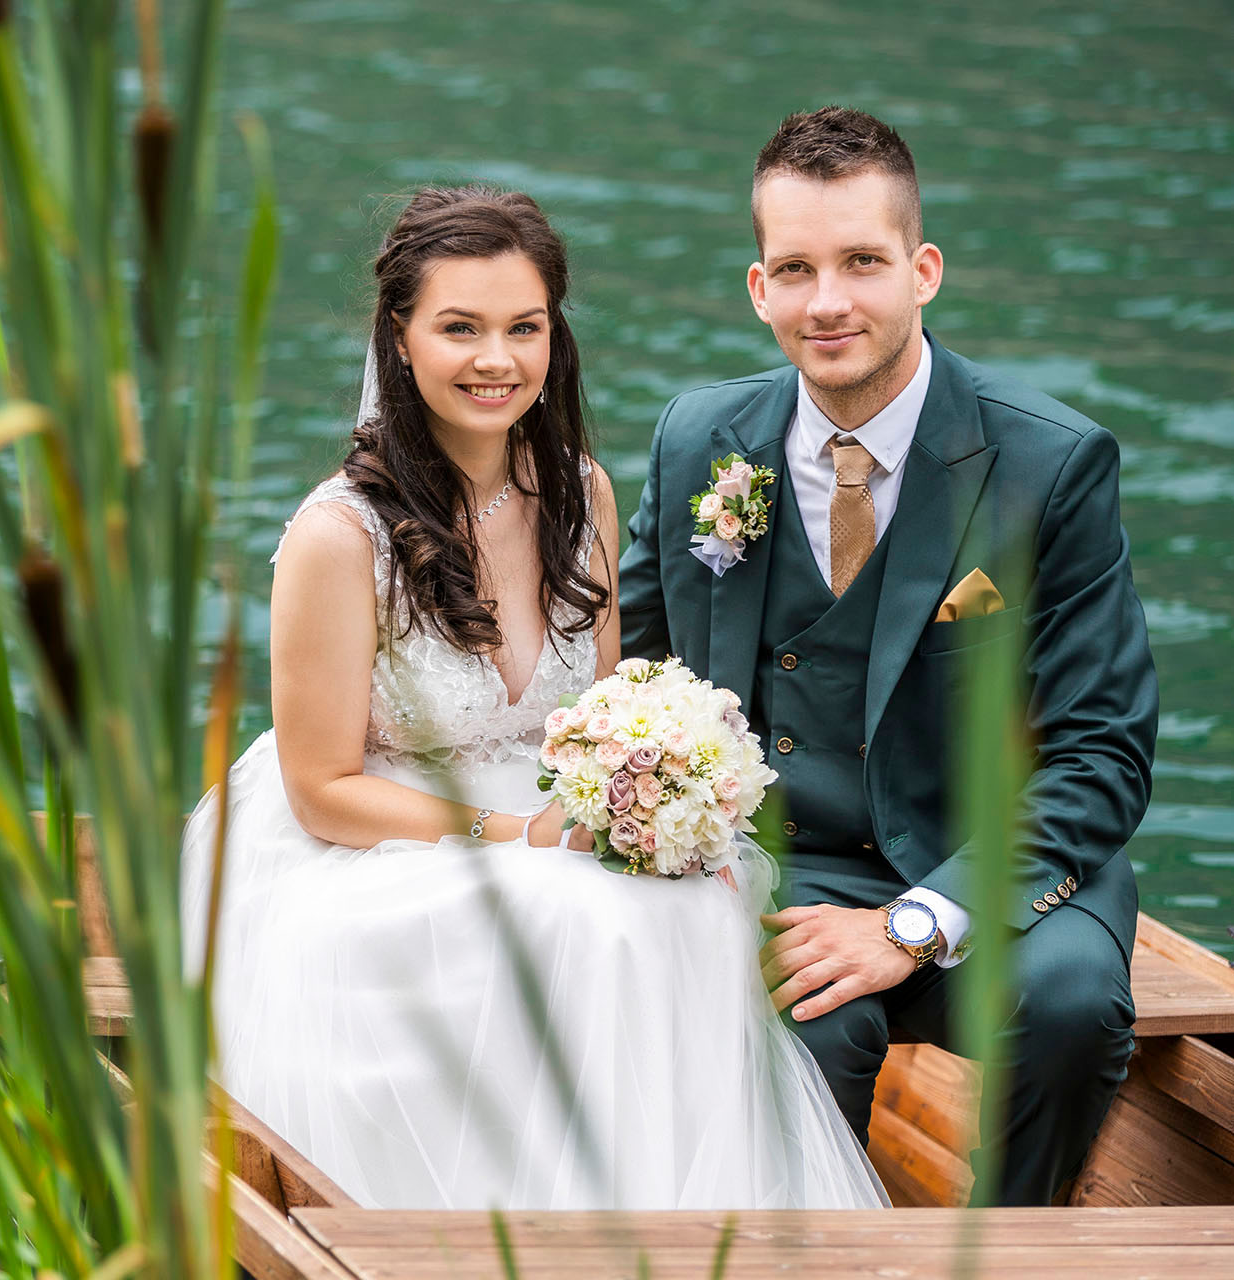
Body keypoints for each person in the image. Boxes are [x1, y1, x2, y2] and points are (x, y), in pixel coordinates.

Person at [180, 185, 885, 1211]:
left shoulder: (580, 492)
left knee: (690, 909)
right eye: (459, 327)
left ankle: (660, 1224)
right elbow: (323, 790)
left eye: (524, 326)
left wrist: (650, 805)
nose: (497, 359)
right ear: (400, 338)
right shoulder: (340, 535)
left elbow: (597, 716)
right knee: (580, 917)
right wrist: (521, 836)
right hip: (381, 841)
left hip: (551, 810)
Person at [618, 106, 1157, 1206]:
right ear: (759, 289)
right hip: (787, 863)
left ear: (923, 271)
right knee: (799, 1022)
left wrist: (913, 925)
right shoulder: (696, 442)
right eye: (796, 268)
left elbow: (1102, 754)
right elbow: (633, 675)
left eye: (862, 262)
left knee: (1072, 1008)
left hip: (995, 857)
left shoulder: (1052, 465)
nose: (829, 301)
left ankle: (1011, 1247)